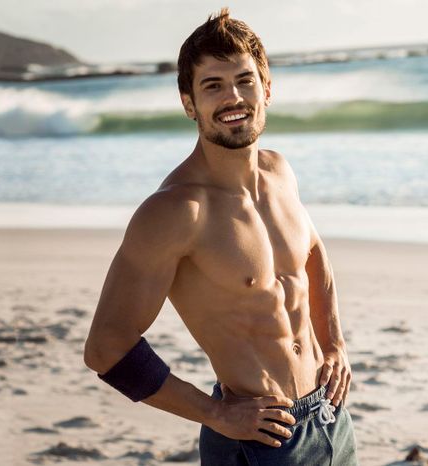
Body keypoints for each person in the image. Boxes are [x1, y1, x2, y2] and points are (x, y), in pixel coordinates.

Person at [82, 7, 358, 465]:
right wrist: (215, 414)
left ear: (266, 89)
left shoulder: (279, 172)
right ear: (189, 103)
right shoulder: (174, 212)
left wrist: (334, 344)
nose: (233, 98)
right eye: (213, 85)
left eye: (244, 80)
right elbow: (105, 347)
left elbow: (311, 250)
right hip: (259, 441)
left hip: (331, 417)